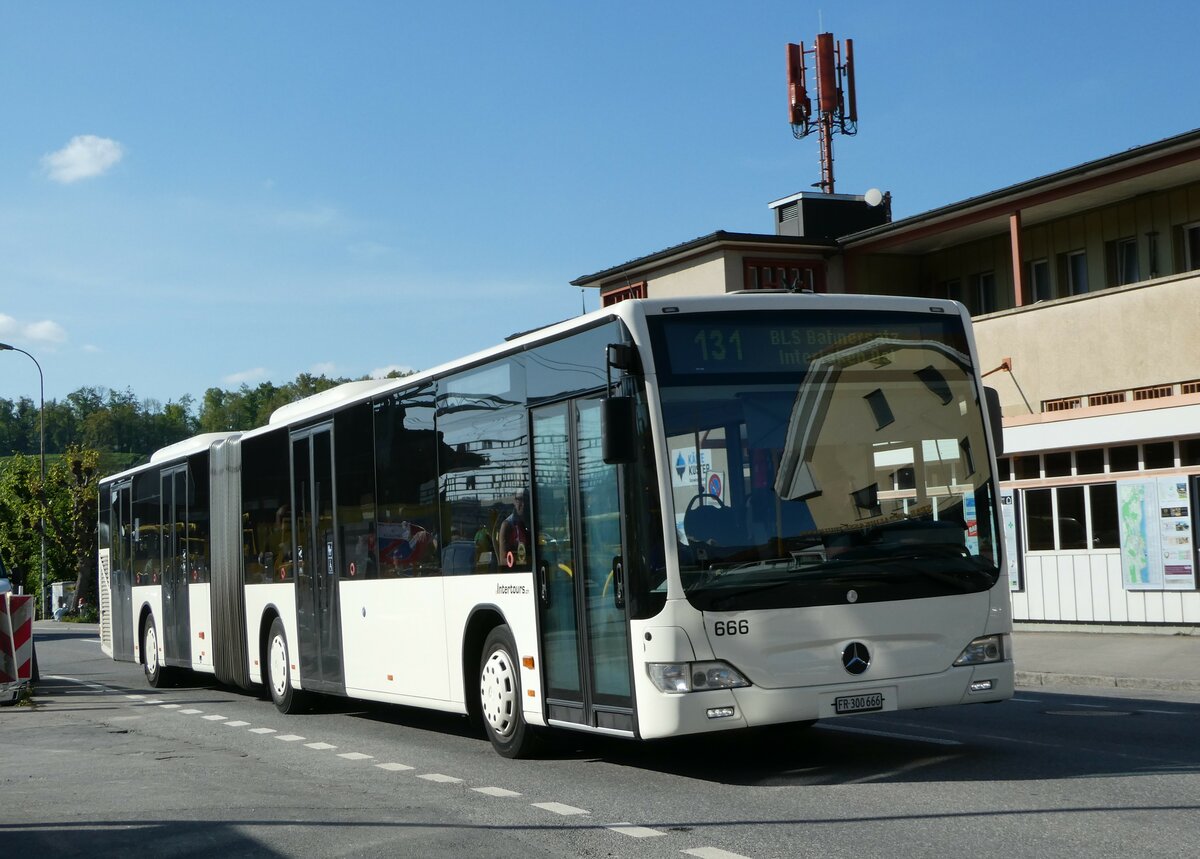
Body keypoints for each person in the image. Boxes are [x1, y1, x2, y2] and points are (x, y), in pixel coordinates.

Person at [496, 489, 530, 570]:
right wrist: (524, 559)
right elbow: (503, 560)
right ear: (514, 502)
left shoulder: (529, 524)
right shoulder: (507, 525)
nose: (523, 504)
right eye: (520, 500)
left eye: (526, 500)